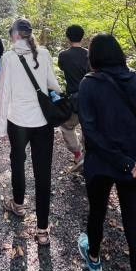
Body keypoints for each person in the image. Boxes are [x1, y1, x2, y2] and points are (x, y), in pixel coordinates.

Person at [76, 33, 136, 271]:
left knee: (97, 213)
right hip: (133, 168)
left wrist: (127, 162)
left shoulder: (88, 84)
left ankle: (95, 258)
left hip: (101, 164)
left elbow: (91, 132)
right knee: (133, 229)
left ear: (94, 57)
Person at [0, 18, 61, 246]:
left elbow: (3, 95)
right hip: (42, 123)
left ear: (14, 35)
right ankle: (42, 230)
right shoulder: (44, 53)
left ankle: (19, 204)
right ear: (29, 33)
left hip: (18, 122)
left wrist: (0, 128)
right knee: (43, 173)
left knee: (18, 162)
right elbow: (54, 85)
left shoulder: (9, 58)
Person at [57, 24, 89, 170]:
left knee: (67, 126)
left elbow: (62, 67)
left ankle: (77, 153)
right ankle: (87, 156)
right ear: (82, 36)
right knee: (88, 127)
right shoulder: (89, 54)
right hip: (90, 97)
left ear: (68, 37)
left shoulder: (63, 55)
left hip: (74, 99)